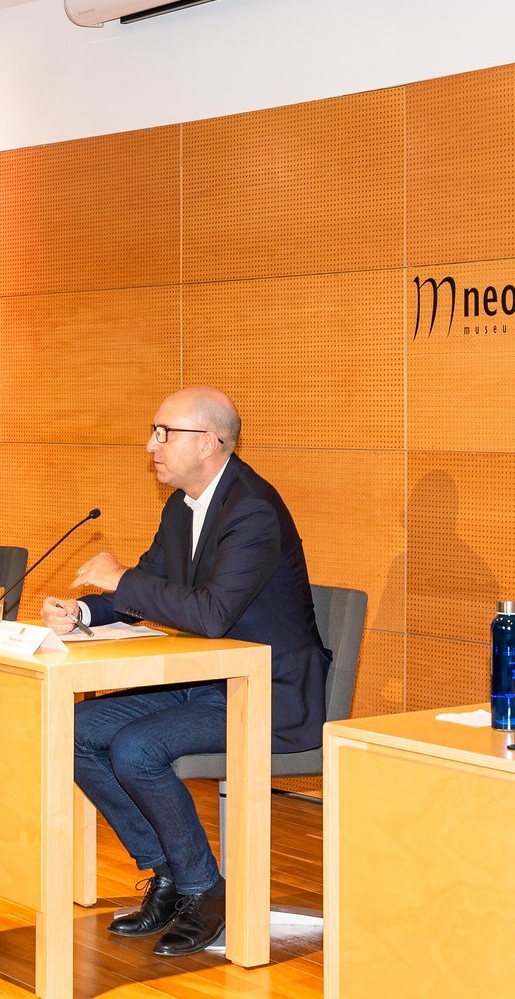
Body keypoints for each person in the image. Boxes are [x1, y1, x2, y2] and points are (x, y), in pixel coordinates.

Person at [39, 386, 330, 957]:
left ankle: (204, 890)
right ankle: (171, 872)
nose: (152, 446)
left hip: (265, 693)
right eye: (154, 432)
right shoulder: (182, 506)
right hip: (205, 682)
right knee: (71, 730)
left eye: (165, 433)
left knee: (135, 749)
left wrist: (118, 578)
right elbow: (151, 585)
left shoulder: (253, 511)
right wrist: (83, 611)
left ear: (213, 442)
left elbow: (213, 614)